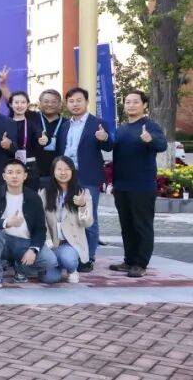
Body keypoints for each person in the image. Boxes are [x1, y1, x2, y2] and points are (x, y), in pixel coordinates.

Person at [110, 90, 168, 277]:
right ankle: (129, 261)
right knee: (126, 226)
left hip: (142, 186)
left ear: (144, 105)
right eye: (127, 102)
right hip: (121, 185)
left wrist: (150, 139)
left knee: (142, 226)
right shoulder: (121, 129)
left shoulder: (150, 126)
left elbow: (162, 145)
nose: (131, 105)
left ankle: (140, 264)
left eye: (135, 102)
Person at [55, 86, 111, 271]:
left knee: (87, 216)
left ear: (87, 102)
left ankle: (88, 257)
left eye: (79, 100)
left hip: (88, 177)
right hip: (65, 178)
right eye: (71, 101)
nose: (75, 104)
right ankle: (70, 253)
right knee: (66, 215)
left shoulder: (98, 124)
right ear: (67, 104)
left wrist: (104, 138)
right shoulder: (64, 125)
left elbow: (109, 146)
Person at [0, 159, 61, 287]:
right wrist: (6, 222)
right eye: (10, 172)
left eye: (18, 172)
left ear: (25, 176)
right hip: (3, 240)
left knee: (50, 260)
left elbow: (40, 229)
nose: (14, 176)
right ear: (4, 176)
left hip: (24, 242)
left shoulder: (34, 197)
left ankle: (21, 269)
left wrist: (33, 249)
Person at [40, 156, 93, 283]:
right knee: (50, 279)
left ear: (72, 171)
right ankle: (54, 264)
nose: (63, 172)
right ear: (53, 171)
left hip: (70, 244)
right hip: (51, 244)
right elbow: (41, 221)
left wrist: (82, 206)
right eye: (59, 169)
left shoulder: (82, 193)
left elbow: (86, 223)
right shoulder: (45, 193)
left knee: (68, 259)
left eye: (67, 169)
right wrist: (47, 240)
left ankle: (72, 269)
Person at [7, 90, 46, 191]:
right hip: (9, 167)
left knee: (30, 197)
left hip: (29, 168)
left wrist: (44, 140)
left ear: (27, 104)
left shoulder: (32, 124)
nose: (20, 105)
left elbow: (41, 138)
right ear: (11, 104)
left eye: (23, 102)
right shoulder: (4, 123)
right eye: (16, 102)